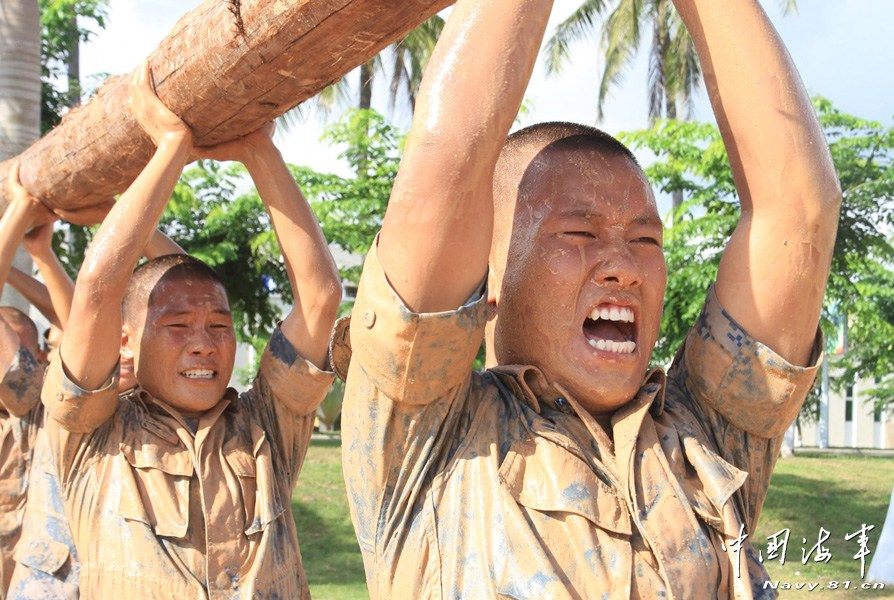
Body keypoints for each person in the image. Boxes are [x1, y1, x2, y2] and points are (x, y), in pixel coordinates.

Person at [332, 0, 841, 597]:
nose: (624, 268)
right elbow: (446, 164)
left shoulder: (707, 435)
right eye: (578, 235)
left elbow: (799, 212)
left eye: (646, 240)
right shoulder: (427, 440)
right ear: (488, 276)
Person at [42, 62, 341, 598]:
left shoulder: (266, 426)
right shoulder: (94, 433)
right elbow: (97, 294)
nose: (203, 342)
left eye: (218, 326)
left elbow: (319, 299)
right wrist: (171, 146)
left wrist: (259, 151)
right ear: (126, 340)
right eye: (177, 327)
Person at [0, 163, 56, 598]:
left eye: (25, 351)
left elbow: (71, 323)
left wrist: (37, 255)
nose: (20, 360)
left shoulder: (39, 400)